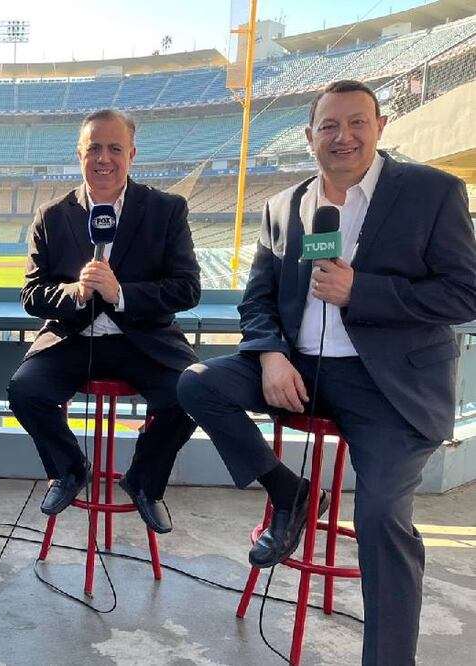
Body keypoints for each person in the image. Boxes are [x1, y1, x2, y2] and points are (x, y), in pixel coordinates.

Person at [177, 80, 476, 665]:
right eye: (330, 126)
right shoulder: (283, 205)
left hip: (389, 386)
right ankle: (290, 494)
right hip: (300, 370)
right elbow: (258, 299)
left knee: (381, 515)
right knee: (196, 383)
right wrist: (268, 353)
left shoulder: (431, 192)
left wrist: (361, 290)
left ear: (381, 126)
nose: (344, 137)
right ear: (310, 136)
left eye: (357, 123)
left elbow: (465, 294)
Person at [7, 109, 200, 530]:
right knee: (24, 391)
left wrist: (122, 294)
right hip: (72, 339)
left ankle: (145, 481)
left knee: (192, 394)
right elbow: (32, 295)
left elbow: (187, 288)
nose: (104, 159)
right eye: (94, 148)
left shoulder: (166, 210)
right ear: (79, 154)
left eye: (115, 148)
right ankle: (71, 468)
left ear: (131, 154)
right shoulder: (52, 216)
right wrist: (75, 294)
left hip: (144, 340)